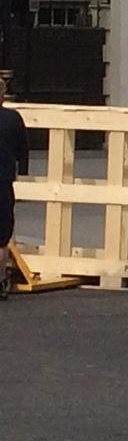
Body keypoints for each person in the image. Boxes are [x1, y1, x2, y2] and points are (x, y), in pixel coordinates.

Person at [0, 75, 29, 295]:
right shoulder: (13, 118)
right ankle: (1, 280)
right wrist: (24, 171)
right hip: (3, 180)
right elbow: (23, 148)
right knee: (2, 236)